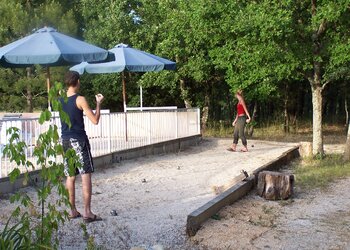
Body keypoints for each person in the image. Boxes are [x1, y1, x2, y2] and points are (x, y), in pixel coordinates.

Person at [60, 71, 104, 223]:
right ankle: (87, 212)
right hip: (79, 140)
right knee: (85, 175)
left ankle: (72, 210)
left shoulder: (59, 100)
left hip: (65, 140)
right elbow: (95, 120)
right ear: (77, 81)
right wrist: (98, 104)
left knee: (70, 176)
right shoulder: (80, 99)